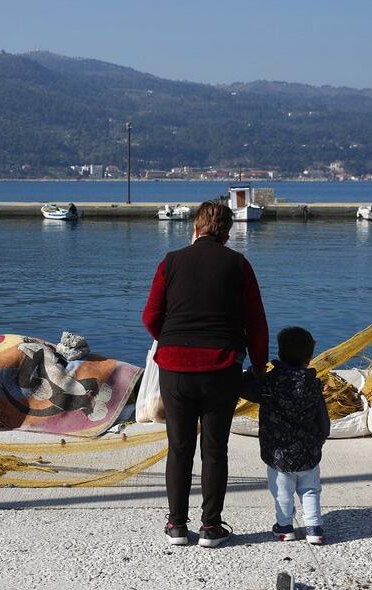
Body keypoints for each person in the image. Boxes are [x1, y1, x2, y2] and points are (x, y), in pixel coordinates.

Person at [142, 200, 269, 548]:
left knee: (179, 447)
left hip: (175, 369)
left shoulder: (171, 262)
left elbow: (150, 316)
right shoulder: (239, 265)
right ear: (227, 234)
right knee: (214, 448)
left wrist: (171, 341)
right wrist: (259, 368)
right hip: (222, 368)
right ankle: (211, 527)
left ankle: (176, 526)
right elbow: (257, 324)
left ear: (195, 228)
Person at [240, 326, 331, 544]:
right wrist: (319, 440)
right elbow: (323, 421)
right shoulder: (313, 384)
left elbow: (242, 388)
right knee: (310, 490)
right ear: (310, 357)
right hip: (308, 451)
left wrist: (252, 372)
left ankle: (285, 527)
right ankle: (314, 529)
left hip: (277, 453)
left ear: (280, 354)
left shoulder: (269, 382)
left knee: (282, 492)